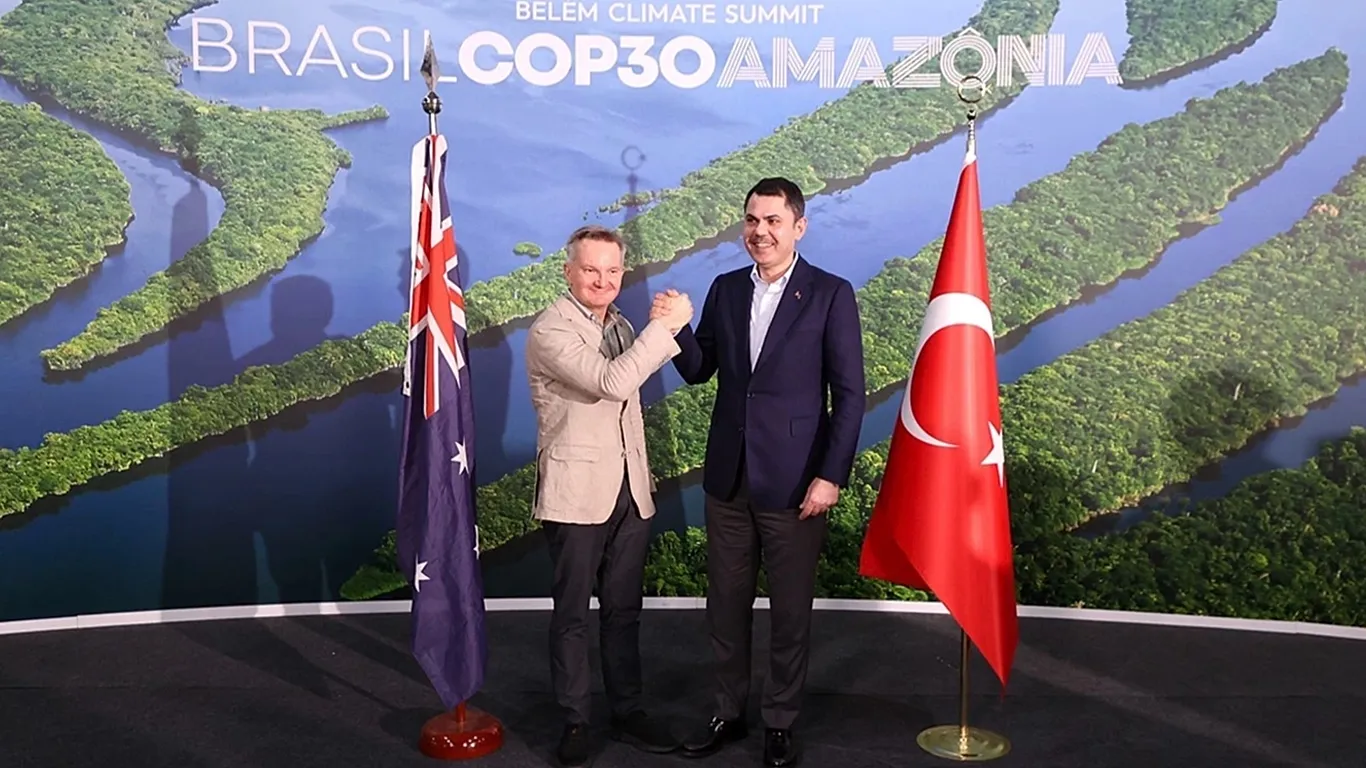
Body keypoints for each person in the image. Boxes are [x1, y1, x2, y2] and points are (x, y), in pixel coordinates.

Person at [653, 177, 866, 767]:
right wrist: (674, 330)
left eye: (773, 220)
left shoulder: (830, 294)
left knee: (790, 612)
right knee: (725, 607)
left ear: (799, 227)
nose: (760, 231)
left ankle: (780, 721)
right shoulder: (725, 289)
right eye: (752, 220)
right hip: (728, 480)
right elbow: (700, 369)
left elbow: (850, 396)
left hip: (797, 484)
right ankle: (728, 712)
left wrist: (831, 476)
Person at [525, 224, 694, 767]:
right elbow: (612, 382)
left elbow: (634, 372)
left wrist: (664, 329)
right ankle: (576, 720)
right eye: (591, 270)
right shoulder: (551, 329)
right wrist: (663, 328)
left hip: (630, 491)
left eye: (613, 270)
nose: (603, 280)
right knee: (573, 614)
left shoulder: (619, 323)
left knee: (623, 611)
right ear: (568, 272)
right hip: (577, 494)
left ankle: (628, 711)